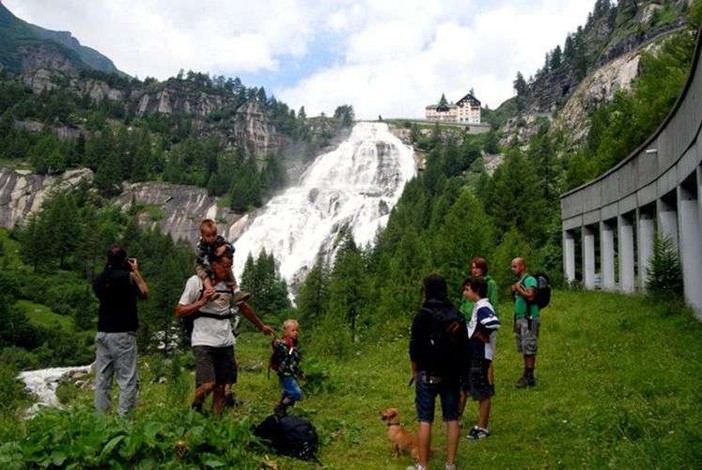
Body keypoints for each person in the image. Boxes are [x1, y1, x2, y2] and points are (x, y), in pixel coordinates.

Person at [175, 245, 275, 416]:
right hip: (203, 339)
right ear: (213, 264)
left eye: (230, 266)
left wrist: (261, 326)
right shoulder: (196, 282)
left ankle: (216, 423)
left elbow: (244, 307)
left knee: (221, 386)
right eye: (225, 266)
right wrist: (202, 302)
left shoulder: (229, 284)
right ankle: (196, 404)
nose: (228, 270)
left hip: (225, 340)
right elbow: (179, 311)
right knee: (208, 384)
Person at [408, 274, 468, 470]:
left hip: (427, 373)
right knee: (452, 418)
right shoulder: (456, 314)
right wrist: (462, 379)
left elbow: (414, 349)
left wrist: (414, 371)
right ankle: (450, 464)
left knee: (425, 419)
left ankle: (423, 466)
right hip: (451, 374)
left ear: (427, 291)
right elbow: (464, 349)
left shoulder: (422, 315)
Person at [93, 245, 149, 417]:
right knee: (127, 380)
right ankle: (125, 421)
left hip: (103, 332)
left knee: (102, 380)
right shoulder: (128, 277)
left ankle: (101, 420)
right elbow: (145, 292)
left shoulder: (100, 279)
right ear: (125, 260)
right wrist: (135, 271)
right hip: (123, 333)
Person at [459, 277, 500, 440]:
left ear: (475, 290)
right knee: (473, 387)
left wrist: (483, 335)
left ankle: (482, 428)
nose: (464, 292)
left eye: (467, 289)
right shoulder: (479, 306)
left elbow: (493, 323)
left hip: (480, 355)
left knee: (482, 391)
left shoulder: (483, 306)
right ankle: (480, 425)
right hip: (474, 354)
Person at [196, 219, 249, 304]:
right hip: (203, 264)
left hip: (217, 261)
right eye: (208, 236)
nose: (212, 238)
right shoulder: (201, 245)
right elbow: (202, 260)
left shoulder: (220, 240)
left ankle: (237, 291)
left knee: (228, 270)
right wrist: (213, 274)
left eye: (214, 235)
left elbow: (232, 248)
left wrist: (225, 247)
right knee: (204, 276)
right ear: (203, 235)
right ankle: (211, 292)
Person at [510, 257, 540, 388]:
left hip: (529, 318)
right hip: (521, 318)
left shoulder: (530, 280)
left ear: (522, 266)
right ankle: (527, 374)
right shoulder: (520, 281)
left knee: (529, 347)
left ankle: (529, 376)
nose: (513, 269)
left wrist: (518, 289)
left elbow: (531, 296)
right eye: (512, 266)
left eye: (515, 266)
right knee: (524, 348)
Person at [272, 319, 304, 417]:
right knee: (297, 393)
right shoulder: (284, 343)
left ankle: (282, 412)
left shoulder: (293, 344)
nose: (296, 333)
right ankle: (280, 407)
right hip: (285, 373)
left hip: (290, 373)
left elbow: (293, 362)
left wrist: (300, 372)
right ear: (285, 331)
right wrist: (275, 343)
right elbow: (277, 345)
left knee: (287, 392)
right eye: (293, 330)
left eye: (297, 330)